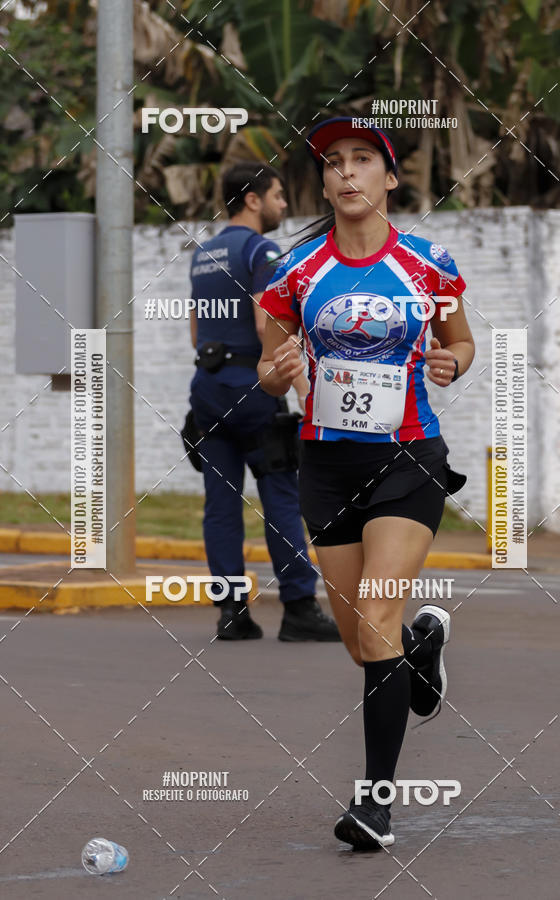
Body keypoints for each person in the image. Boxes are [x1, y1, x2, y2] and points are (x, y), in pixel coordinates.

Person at [257, 118, 475, 849]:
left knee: (375, 618)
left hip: (408, 459)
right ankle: (421, 647)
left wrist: (452, 363)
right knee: (361, 642)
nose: (347, 172)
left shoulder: (428, 265)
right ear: (324, 184)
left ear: (389, 177)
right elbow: (268, 366)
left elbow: (460, 341)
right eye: (334, 163)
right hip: (325, 467)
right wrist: (278, 373)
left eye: (362, 159)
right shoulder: (295, 272)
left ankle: (375, 804)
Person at [188, 161, 341, 643]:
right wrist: (301, 390)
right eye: (277, 195)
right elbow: (266, 325)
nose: (284, 204)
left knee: (220, 505)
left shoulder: (203, 253)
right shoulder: (262, 250)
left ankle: (232, 614)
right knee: (280, 496)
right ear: (252, 200)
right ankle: (299, 608)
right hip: (253, 391)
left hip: (207, 389)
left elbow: (195, 331)